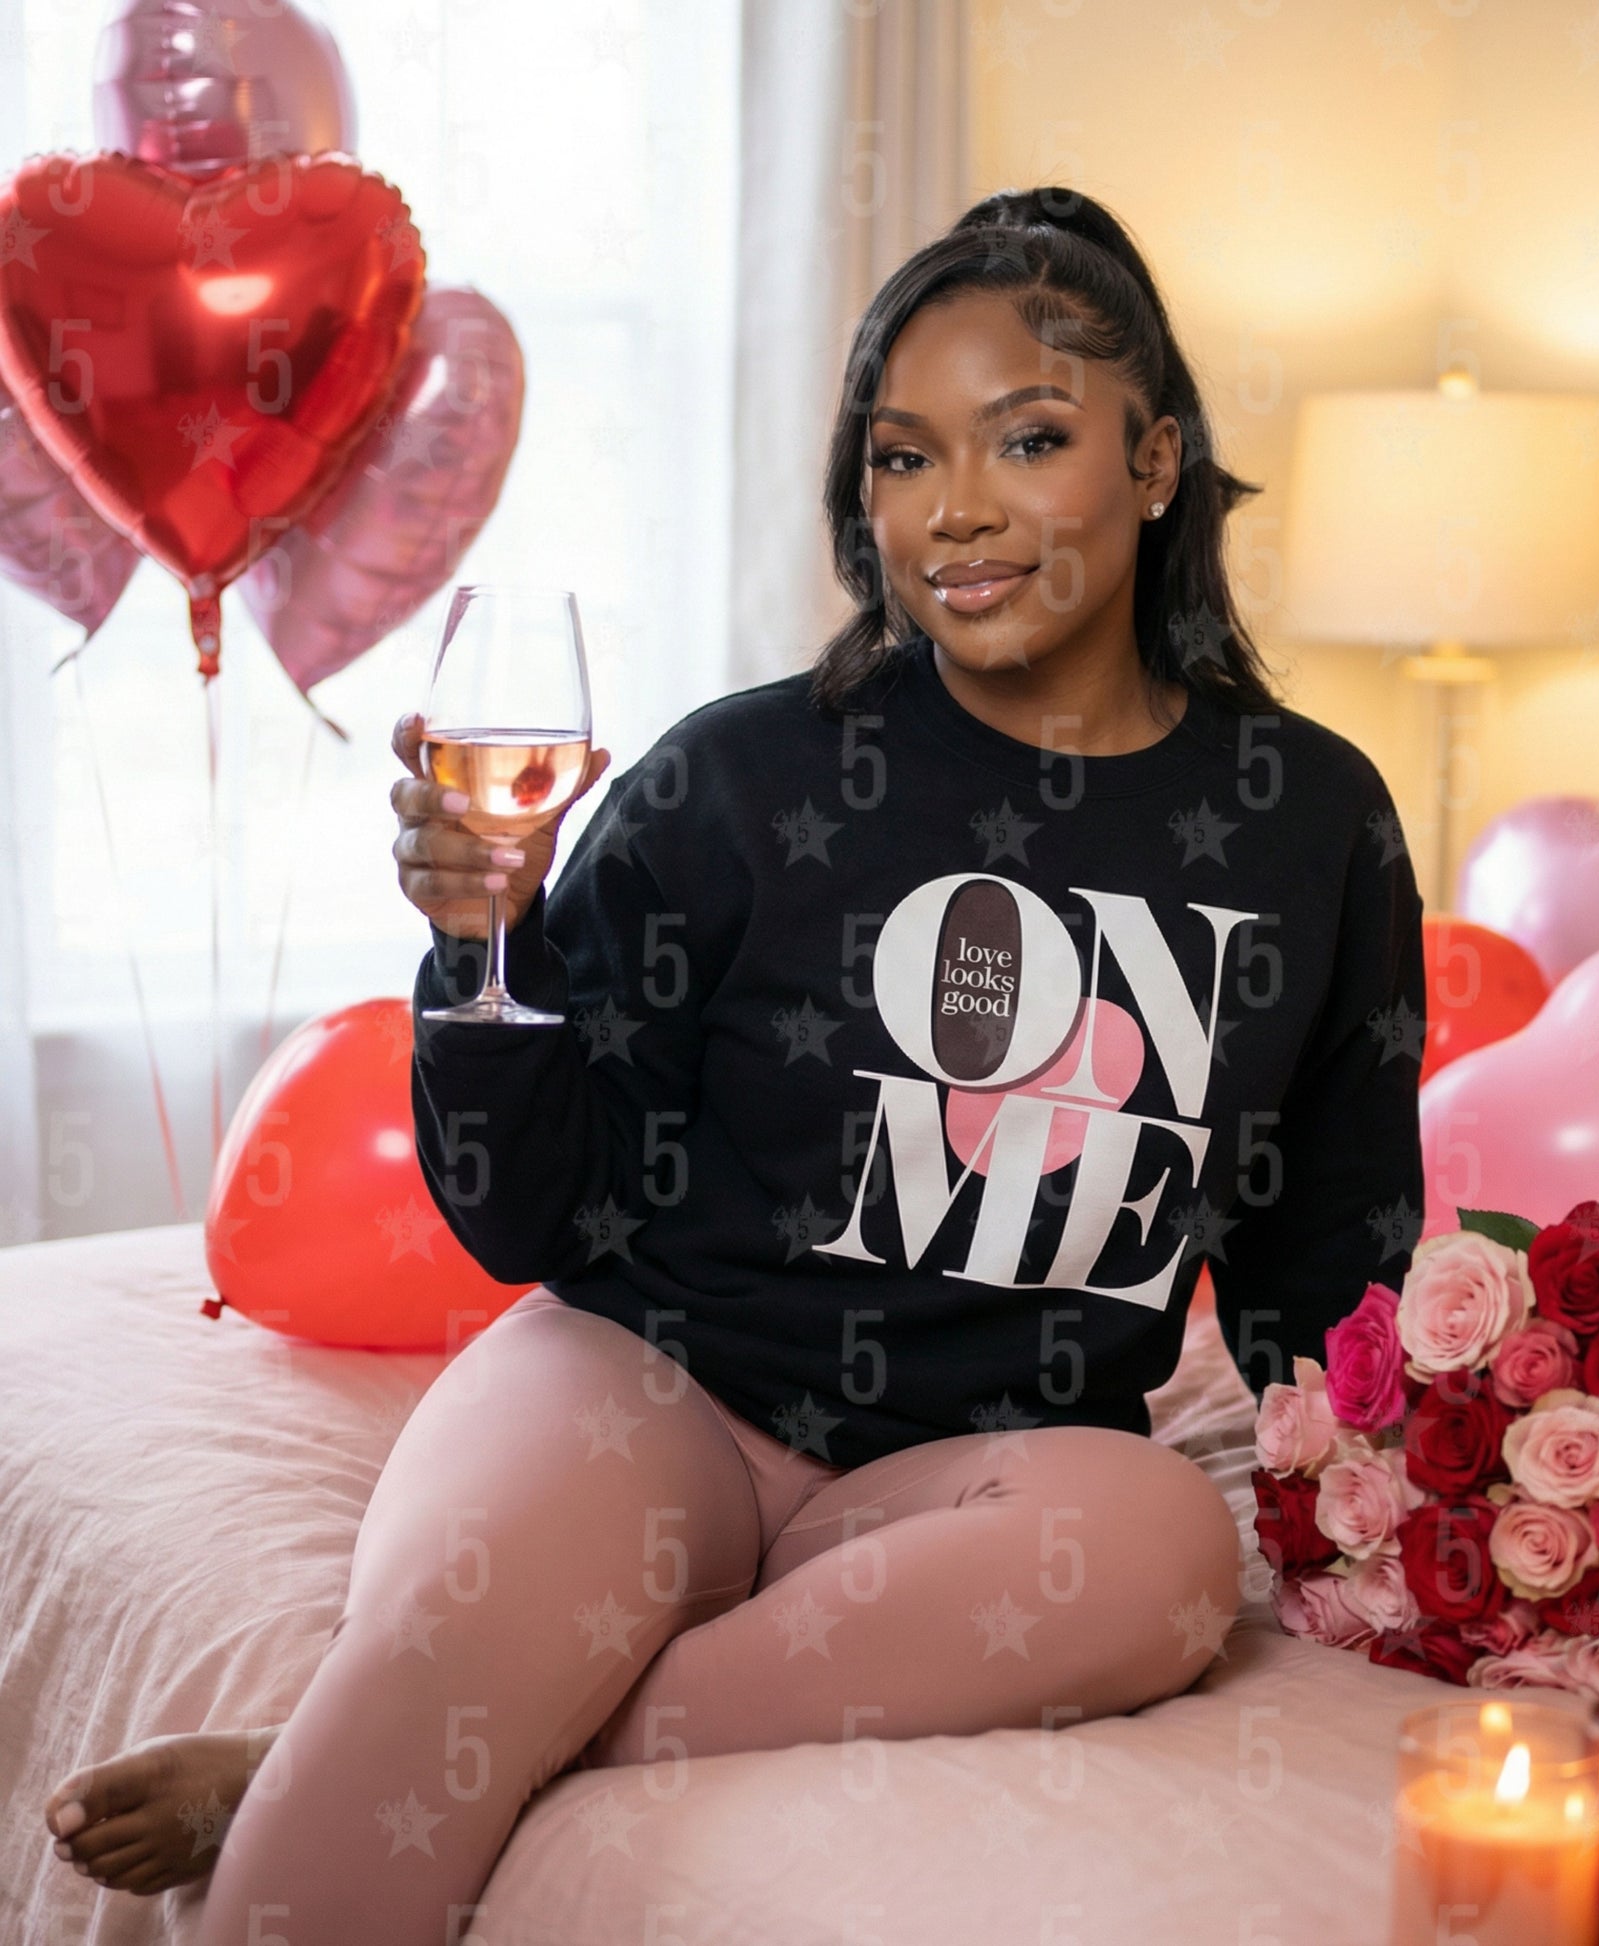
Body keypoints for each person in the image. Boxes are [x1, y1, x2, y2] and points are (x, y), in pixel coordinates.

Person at [42, 186, 1426, 1934]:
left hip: (989, 1465)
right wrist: (482, 947)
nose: (960, 509)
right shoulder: (742, 775)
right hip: (653, 1387)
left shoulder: (1309, 820)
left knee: (1160, 1549)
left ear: (1156, 459)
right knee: (456, 1632)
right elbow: (523, 1205)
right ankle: (411, 1726)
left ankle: (366, 1746)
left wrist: (1402, 1518)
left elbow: (1334, 1233)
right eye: (904, 456)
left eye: (1033, 438)